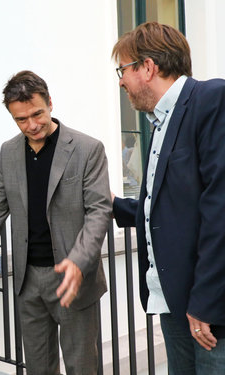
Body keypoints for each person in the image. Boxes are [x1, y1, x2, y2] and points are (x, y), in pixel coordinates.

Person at [0, 70, 111, 375]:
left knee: (81, 368)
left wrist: (79, 262)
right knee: (38, 369)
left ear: (50, 103)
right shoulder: (9, 152)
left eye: (37, 114)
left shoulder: (87, 148)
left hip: (72, 278)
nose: (31, 125)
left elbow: (99, 211)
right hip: (28, 282)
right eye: (21, 119)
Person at [111, 21, 225, 374]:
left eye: (123, 70)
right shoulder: (160, 121)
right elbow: (170, 207)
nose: (120, 81)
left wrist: (205, 302)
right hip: (170, 298)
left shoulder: (211, 99)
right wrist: (113, 204)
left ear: (148, 67)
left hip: (207, 305)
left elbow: (220, 208)